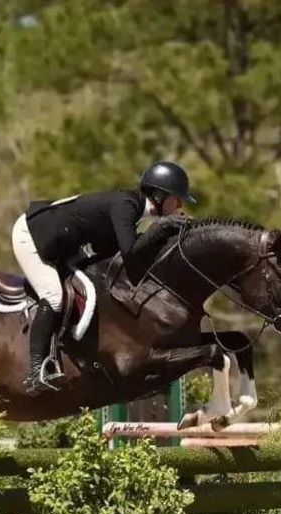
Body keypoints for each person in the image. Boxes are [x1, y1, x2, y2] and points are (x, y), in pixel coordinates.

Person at [11, 160, 197, 395]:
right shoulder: (125, 205)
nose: (179, 204)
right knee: (54, 297)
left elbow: (113, 252)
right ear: (159, 196)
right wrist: (160, 228)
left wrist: (162, 235)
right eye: (177, 198)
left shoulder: (131, 211)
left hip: (63, 242)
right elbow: (130, 253)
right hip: (32, 235)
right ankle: (36, 372)